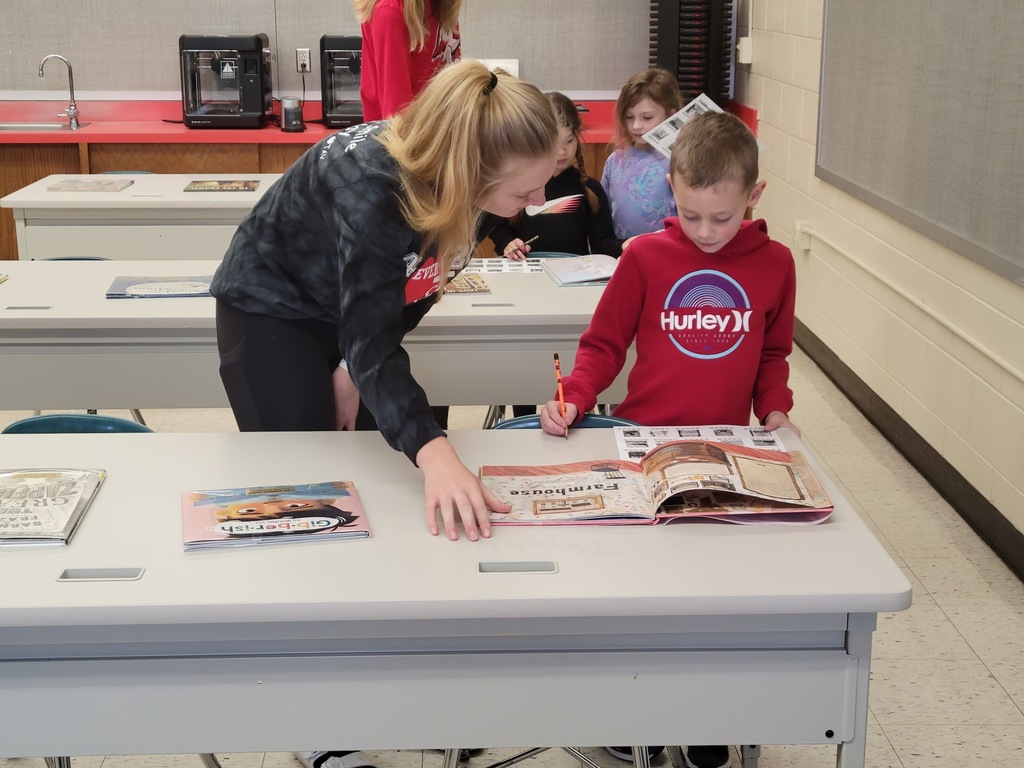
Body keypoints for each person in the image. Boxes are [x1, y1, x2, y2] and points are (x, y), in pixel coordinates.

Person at [540, 111, 800, 768]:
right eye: (690, 215)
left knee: (722, 595)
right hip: (643, 443)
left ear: (754, 197)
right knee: (641, 594)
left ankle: (710, 719)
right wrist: (575, 395)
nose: (706, 232)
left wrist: (775, 410)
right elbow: (604, 345)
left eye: (723, 217)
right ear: (671, 191)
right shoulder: (647, 257)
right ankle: (634, 708)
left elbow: (773, 352)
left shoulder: (775, 265)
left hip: (727, 450)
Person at [484, 91, 628, 261]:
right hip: (525, 272)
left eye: (569, 141)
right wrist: (507, 242)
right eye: (554, 143)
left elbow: (602, 243)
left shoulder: (591, 190)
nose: (562, 152)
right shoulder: (519, 184)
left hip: (573, 275)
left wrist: (625, 245)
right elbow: (497, 224)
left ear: (577, 136)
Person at [601, 67, 684, 240]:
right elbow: (604, 215)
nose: (636, 126)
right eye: (629, 117)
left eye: (647, 118)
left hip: (665, 251)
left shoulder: (679, 161)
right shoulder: (615, 161)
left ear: (670, 116)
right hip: (624, 252)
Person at [355, 0, 462, 121]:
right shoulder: (391, 13)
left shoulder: (441, 4)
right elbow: (397, 119)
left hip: (440, 126)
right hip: (409, 134)